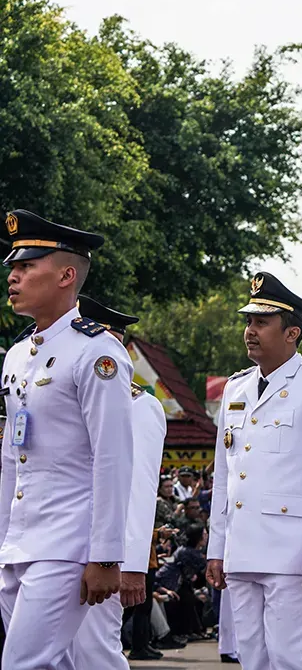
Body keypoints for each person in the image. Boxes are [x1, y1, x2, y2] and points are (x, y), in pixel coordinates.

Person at [0, 209, 135, 668]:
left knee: (21, 663)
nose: (13, 277)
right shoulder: (18, 355)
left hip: (68, 543)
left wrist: (107, 556)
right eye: (12, 268)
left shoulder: (96, 352)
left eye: (26, 267)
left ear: (66, 275)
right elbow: (10, 460)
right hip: (20, 541)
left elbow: (112, 460)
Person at [205, 271, 302, 670]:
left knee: (289, 658)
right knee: (251, 657)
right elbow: (224, 476)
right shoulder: (236, 388)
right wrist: (218, 548)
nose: (250, 331)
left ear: (292, 334)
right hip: (242, 548)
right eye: (249, 321)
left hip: (292, 551)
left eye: (262, 322)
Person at [68, 297, 169, 668]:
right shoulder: (68, 394)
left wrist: (132, 564)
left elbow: (140, 490)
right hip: (59, 544)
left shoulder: (139, 406)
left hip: (105, 553)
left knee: (96, 652)